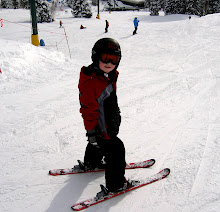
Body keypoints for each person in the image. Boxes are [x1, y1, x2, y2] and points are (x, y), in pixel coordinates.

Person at [78, 38, 129, 195]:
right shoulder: (93, 82)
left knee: (97, 144)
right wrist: (92, 131)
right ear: (95, 57)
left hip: (106, 124)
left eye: (114, 60)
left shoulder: (106, 76)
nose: (109, 63)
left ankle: (91, 163)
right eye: (105, 58)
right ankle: (116, 184)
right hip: (101, 127)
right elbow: (88, 109)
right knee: (116, 150)